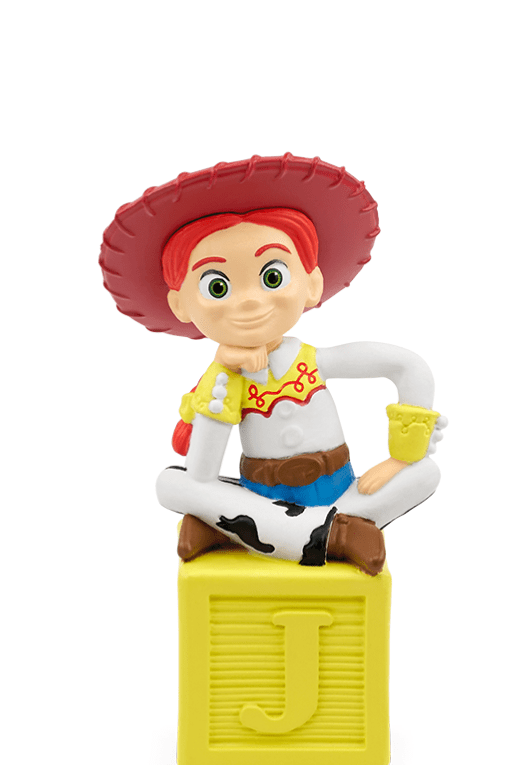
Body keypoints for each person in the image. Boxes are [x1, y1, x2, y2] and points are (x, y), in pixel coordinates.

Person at [99, 155, 445, 574]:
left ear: (311, 283)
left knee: (425, 473)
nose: (249, 301)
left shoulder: (315, 361)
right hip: (262, 494)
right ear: (181, 304)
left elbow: (408, 367)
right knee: (171, 483)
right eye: (217, 286)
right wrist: (224, 373)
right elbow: (202, 473)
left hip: (339, 491)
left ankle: (231, 528)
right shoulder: (222, 382)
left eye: (272, 277)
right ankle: (336, 536)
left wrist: (403, 453)